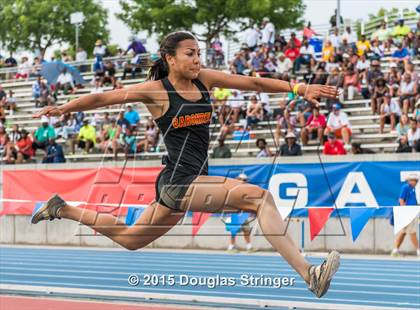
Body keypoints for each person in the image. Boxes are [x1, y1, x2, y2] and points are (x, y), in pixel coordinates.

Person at [32, 31, 340, 298]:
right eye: (190, 54)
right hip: (179, 182)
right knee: (260, 199)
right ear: (170, 58)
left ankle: (62, 208)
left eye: (199, 54)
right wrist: (63, 108)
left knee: (130, 239)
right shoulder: (156, 91)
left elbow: (252, 82)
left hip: (187, 181)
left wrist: (298, 88)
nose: (197, 60)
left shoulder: (204, 79)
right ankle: (309, 273)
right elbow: (102, 98)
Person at [225, 173, 256, 253]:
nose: (243, 181)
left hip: (243, 214)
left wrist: (250, 211)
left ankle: (249, 247)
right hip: (235, 214)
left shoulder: (246, 190)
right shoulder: (233, 189)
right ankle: (231, 247)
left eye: (245, 180)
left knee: (246, 230)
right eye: (242, 179)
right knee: (234, 231)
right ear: (238, 179)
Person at [391, 173, 420, 257]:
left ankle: (395, 250)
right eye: (412, 180)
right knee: (412, 232)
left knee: (403, 232)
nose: (414, 182)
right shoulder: (406, 187)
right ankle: (418, 251)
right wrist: (405, 212)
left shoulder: (412, 189)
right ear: (408, 180)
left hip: (411, 212)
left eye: (415, 180)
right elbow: (401, 200)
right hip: (407, 213)